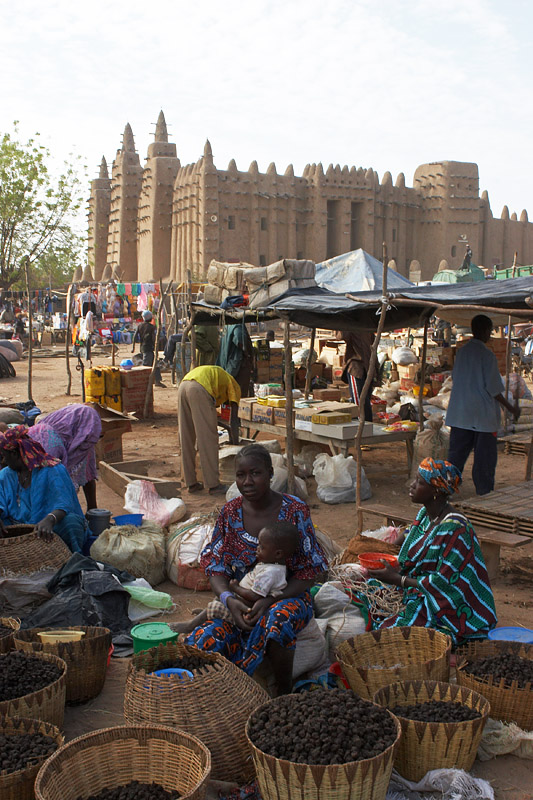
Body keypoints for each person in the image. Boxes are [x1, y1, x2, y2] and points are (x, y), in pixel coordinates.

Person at [183, 444, 328, 694]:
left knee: (277, 621)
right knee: (204, 639)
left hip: (286, 597)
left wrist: (272, 599)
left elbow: (310, 571)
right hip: (241, 601)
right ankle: (224, 694)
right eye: (241, 475)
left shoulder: (294, 510)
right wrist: (229, 599)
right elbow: (215, 564)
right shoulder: (229, 513)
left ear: (270, 473)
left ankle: (283, 693)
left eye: (255, 473)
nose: (247, 481)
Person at [360, 458, 497, 646]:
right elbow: (409, 550)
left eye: (420, 482)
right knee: (365, 590)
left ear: (436, 491)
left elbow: (446, 584)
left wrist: (397, 580)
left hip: (450, 606)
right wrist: (386, 564)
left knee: (390, 636)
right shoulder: (425, 515)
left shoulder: (455, 529)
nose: (412, 485)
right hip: (419, 589)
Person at [174, 521, 300, 629]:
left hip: (246, 610)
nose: (257, 548)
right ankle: (205, 614)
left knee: (217, 606)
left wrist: (235, 588)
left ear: (277, 554)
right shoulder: (273, 566)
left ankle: (191, 625)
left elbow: (254, 595)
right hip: (242, 601)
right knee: (220, 599)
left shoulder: (270, 573)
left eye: (262, 547)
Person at [446, 314, 520, 495]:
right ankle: (484, 492)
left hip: (460, 413)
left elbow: (456, 378)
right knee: (484, 459)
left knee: (455, 457)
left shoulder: (462, 352)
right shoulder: (487, 356)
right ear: (486, 331)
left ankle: (445, 491)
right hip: (482, 416)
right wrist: (511, 409)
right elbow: (494, 389)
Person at [0, 426, 88, 552]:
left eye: (4, 456)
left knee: (71, 523)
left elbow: (64, 504)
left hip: (49, 527)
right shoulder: (5, 475)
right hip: (18, 528)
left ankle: (73, 559)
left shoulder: (53, 470)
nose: (3, 461)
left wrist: (49, 519)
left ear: (14, 454)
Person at [177, 365, 241, 494]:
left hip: (183, 386)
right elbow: (234, 419)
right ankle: (213, 485)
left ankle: (191, 483)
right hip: (199, 390)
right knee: (208, 440)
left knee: (186, 437)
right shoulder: (234, 387)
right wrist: (234, 438)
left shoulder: (219, 378)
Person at [29, 404, 102, 510]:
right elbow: (53, 480)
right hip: (59, 442)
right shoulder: (50, 443)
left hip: (75, 435)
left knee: (85, 464)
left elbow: (88, 474)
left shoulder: (83, 437)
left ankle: (92, 509)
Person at [336, 330, 374, 422]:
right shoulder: (354, 326)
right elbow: (341, 336)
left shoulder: (367, 328)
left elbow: (372, 346)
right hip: (357, 368)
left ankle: (365, 425)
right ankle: (363, 425)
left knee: (363, 401)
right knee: (360, 401)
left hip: (364, 367)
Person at [216, 322, 254, 397]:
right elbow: (239, 339)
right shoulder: (238, 324)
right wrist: (246, 353)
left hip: (227, 366)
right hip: (237, 366)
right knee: (238, 395)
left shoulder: (227, 325)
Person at [132, 310, 165, 387]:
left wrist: (133, 347)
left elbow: (135, 337)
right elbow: (155, 338)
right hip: (148, 348)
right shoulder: (152, 327)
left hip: (143, 347)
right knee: (146, 365)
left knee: (155, 364)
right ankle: (143, 382)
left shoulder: (140, 326)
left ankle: (157, 381)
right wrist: (156, 345)